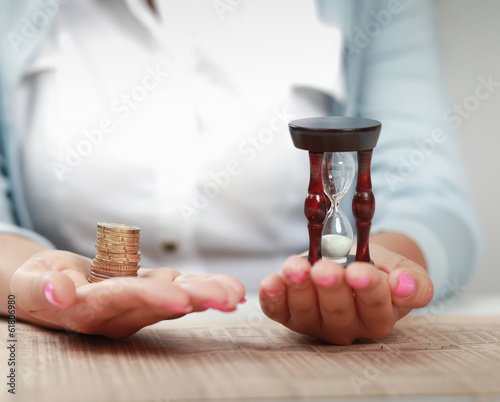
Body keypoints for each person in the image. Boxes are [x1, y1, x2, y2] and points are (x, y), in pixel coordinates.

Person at [0, 0, 481, 343]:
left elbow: (426, 194)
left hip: (291, 346)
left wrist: (381, 273)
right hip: (75, 353)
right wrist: (32, 278)